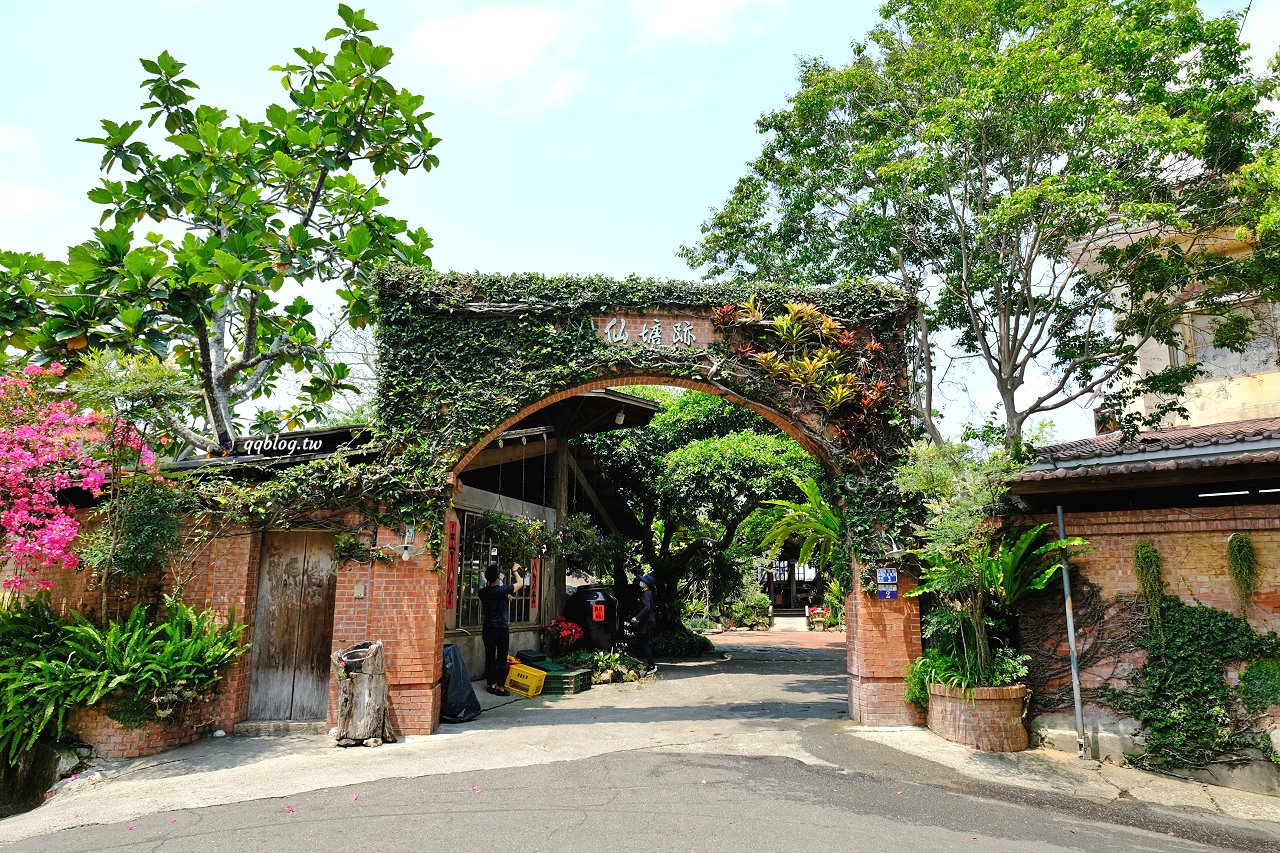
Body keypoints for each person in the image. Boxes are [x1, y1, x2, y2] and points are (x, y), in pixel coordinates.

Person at [478, 562, 525, 695]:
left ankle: (491, 685)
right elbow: (520, 583)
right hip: (501, 629)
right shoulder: (503, 590)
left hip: (488, 628)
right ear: (498, 577)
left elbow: (493, 595)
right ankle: (500, 687)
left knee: (490, 657)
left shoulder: (483, 593)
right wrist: (515, 571)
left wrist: (506, 596)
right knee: (502, 658)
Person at [630, 574, 658, 676]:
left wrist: (636, 618)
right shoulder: (649, 593)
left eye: (643, 581)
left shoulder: (646, 594)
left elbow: (646, 608)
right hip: (649, 621)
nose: (641, 582)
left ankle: (652, 666)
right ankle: (651, 665)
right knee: (644, 643)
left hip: (648, 622)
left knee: (645, 644)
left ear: (646, 584)